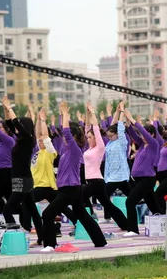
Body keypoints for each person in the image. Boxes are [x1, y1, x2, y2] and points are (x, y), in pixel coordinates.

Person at [40, 101, 106, 252]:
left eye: (67, 136)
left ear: (74, 136)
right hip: (71, 188)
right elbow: (60, 133)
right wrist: (60, 115)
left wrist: (66, 114)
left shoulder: (76, 149)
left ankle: (50, 245)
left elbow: (66, 132)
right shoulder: (66, 149)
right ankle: (100, 241)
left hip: (70, 189)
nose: (63, 138)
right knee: (83, 216)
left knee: (47, 214)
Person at [22, 107, 76, 235]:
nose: (40, 141)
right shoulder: (38, 152)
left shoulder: (50, 152)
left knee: (26, 201)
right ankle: (76, 220)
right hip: (41, 186)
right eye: (39, 141)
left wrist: (43, 120)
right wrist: (36, 120)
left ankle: (27, 227)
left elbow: (45, 136)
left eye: (42, 141)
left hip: (45, 186)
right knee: (61, 206)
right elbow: (38, 134)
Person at [0, 98, 43, 243]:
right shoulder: (20, 140)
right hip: (22, 180)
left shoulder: (27, 139)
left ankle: (15, 238)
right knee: (33, 212)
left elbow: (16, 123)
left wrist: (11, 108)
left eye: (20, 126)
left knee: (7, 210)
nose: (17, 128)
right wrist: (5, 108)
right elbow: (10, 123)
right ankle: (42, 238)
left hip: (23, 180)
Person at [82, 102, 129, 231]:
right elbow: (87, 128)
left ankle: (83, 225)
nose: (88, 139)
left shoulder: (100, 147)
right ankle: (125, 224)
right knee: (108, 205)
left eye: (90, 137)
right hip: (100, 179)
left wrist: (93, 114)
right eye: (87, 137)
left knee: (78, 201)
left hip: (96, 181)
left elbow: (96, 128)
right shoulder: (94, 147)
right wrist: (87, 113)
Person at [122, 108, 160, 236]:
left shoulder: (154, 145)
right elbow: (132, 133)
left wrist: (132, 119)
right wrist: (127, 119)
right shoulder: (142, 144)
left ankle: (133, 229)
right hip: (139, 179)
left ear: (152, 135)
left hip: (147, 179)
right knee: (153, 205)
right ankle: (164, 222)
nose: (142, 137)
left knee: (130, 201)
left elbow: (142, 130)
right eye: (142, 136)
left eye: (145, 135)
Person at [102, 101, 132, 222]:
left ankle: (110, 217)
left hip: (118, 176)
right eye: (108, 136)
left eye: (110, 135)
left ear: (117, 134)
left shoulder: (121, 140)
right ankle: (108, 217)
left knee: (104, 195)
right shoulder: (111, 142)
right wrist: (116, 110)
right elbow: (113, 124)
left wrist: (122, 111)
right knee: (132, 196)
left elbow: (119, 125)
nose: (108, 137)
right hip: (113, 175)